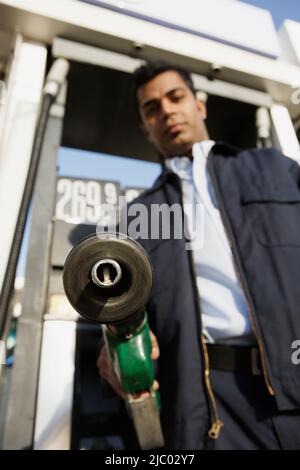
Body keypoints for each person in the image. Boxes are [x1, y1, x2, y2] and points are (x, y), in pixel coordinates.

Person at [97, 60, 300, 450]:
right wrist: (110, 347)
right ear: (145, 127)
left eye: (176, 97)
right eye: (151, 108)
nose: (167, 111)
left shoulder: (274, 168)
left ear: (200, 104)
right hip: (211, 399)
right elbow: (117, 308)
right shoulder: (139, 215)